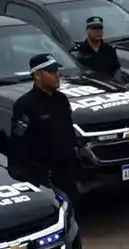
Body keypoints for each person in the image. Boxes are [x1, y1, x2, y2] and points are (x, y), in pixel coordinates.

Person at [8, 53, 79, 203]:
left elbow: (69, 135)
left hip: (66, 174)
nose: (57, 75)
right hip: (42, 178)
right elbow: (18, 146)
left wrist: (77, 174)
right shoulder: (25, 105)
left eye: (57, 70)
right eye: (52, 72)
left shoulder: (61, 100)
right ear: (38, 75)